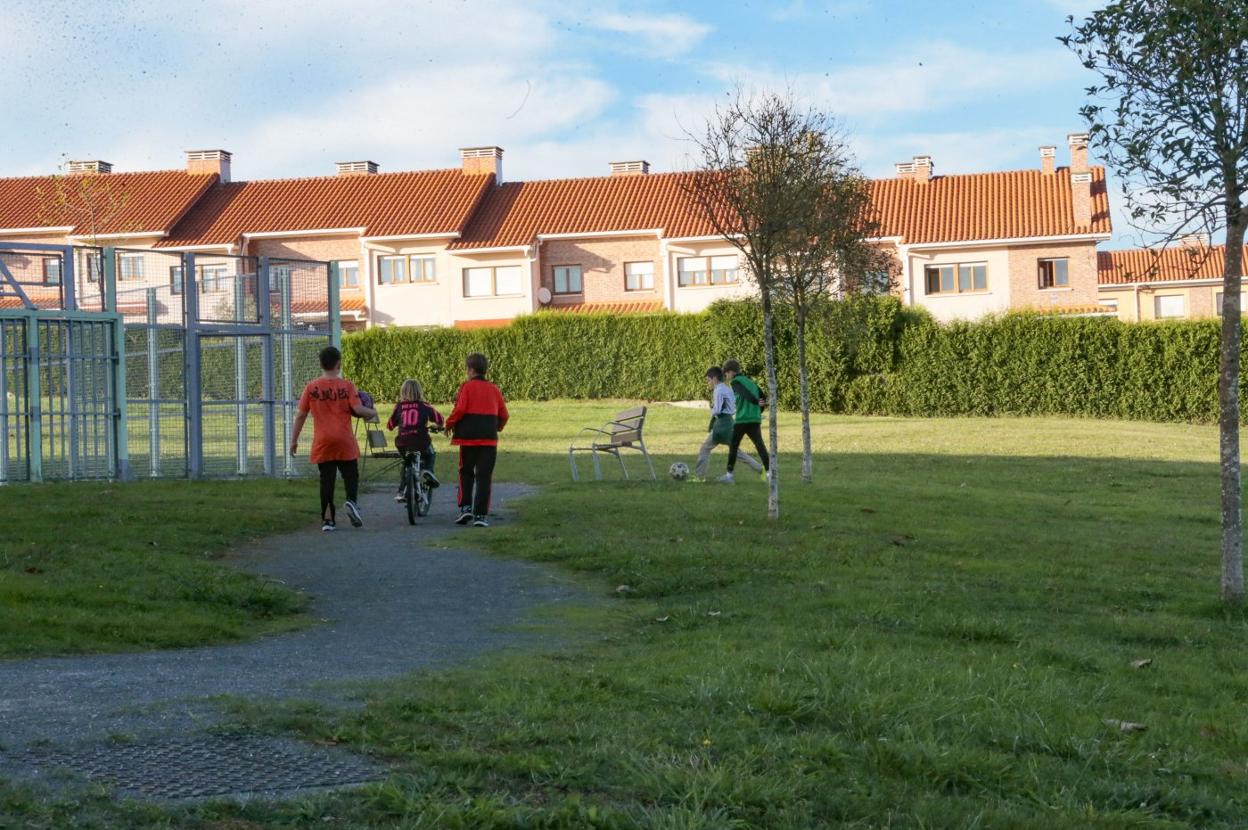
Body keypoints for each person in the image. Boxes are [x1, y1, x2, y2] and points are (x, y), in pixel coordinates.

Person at [290, 345, 376, 531]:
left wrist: (293, 440)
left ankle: (328, 520)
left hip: (323, 441)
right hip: (344, 439)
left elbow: (301, 415)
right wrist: (372, 412)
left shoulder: (311, 387)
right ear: (339, 364)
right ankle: (351, 502)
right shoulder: (347, 386)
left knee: (326, 480)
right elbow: (359, 410)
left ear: (321, 364)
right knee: (350, 474)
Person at [445, 352, 509, 527]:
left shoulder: (466, 387)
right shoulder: (494, 389)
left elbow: (459, 410)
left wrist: (449, 424)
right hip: (488, 439)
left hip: (468, 439)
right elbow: (504, 414)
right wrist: (496, 427)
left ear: (471, 370)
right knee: (484, 476)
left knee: (465, 472)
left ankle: (465, 508)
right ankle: (480, 515)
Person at [694, 365, 760, 482]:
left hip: (722, 424)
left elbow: (718, 409)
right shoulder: (727, 388)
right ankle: (762, 469)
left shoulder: (718, 390)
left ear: (714, 378)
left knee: (705, 448)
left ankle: (699, 477)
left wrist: (711, 410)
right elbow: (733, 406)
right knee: (737, 452)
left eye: (708, 380)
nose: (708, 383)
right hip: (729, 422)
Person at [386, 378, 445, 501]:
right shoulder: (424, 406)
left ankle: (401, 491)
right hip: (420, 441)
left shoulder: (399, 407)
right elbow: (440, 418)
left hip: (403, 442)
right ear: (419, 392)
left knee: (406, 463)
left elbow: (390, 425)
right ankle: (428, 472)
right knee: (431, 454)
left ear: (403, 392)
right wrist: (438, 426)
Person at [719, 359, 768, 484]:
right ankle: (769, 474)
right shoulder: (750, 381)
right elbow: (763, 396)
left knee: (733, 446)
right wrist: (758, 410)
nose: (726, 377)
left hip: (742, 420)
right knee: (760, 446)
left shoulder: (736, 382)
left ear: (730, 372)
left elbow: (744, 393)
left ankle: (729, 476)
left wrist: (754, 402)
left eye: (726, 374)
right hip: (754, 419)